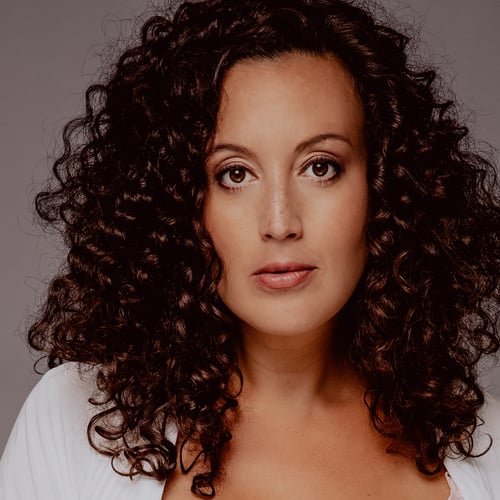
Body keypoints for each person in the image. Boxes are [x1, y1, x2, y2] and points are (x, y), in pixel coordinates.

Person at [1, 0, 499, 498]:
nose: (280, 223)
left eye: (320, 166)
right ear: (176, 203)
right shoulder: (76, 422)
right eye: (235, 174)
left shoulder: (488, 449)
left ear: (387, 187)